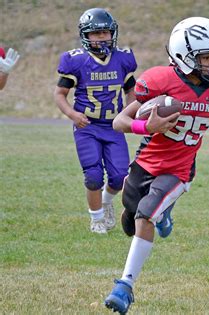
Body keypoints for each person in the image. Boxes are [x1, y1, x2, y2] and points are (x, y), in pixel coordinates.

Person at [104, 16, 209, 313]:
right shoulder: (161, 82)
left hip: (179, 170)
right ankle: (164, 216)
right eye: (206, 58)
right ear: (183, 56)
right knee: (131, 219)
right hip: (146, 162)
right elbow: (119, 121)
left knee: (145, 216)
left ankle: (125, 286)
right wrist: (146, 127)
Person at [53, 8, 138, 234]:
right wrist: (72, 114)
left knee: (120, 177)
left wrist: (129, 113)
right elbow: (59, 94)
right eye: (96, 33)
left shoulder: (122, 58)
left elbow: (132, 92)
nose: (102, 37)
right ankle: (97, 218)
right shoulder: (76, 61)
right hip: (87, 127)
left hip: (113, 126)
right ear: (85, 35)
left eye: (106, 32)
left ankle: (107, 201)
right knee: (92, 176)